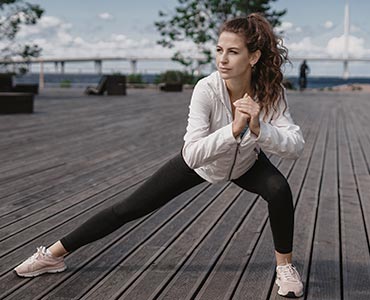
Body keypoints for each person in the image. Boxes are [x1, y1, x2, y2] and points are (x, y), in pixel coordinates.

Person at [14, 13, 305, 298]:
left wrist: (260, 128)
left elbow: (295, 145)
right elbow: (191, 154)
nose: (222, 60)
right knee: (128, 208)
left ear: (253, 57)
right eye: (219, 50)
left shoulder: (270, 92)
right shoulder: (206, 89)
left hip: (246, 163)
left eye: (233, 52)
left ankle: (285, 267)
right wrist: (232, 130)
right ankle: (53, 254)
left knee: (278, 189)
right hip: (202, 163)